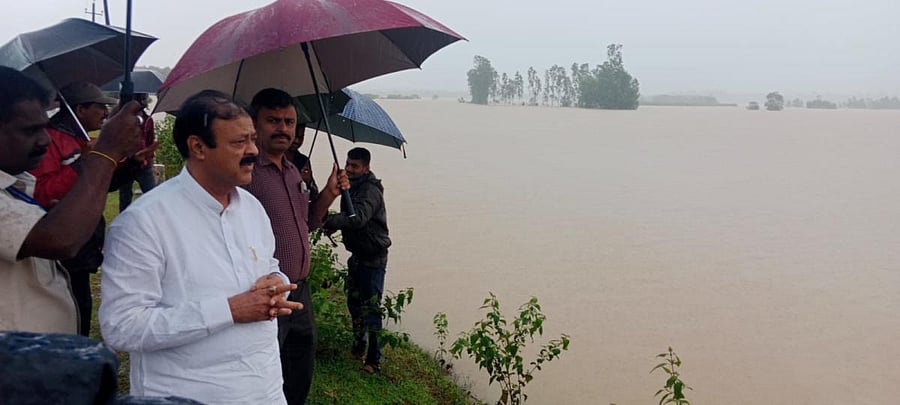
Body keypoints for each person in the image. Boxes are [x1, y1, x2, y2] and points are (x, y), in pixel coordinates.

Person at [99, 90, 302, 404]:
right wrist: (230, 310)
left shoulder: (251, 208)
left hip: (266, 388)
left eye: (252, 139)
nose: (253, 151)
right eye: (238, 143)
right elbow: (122, 326)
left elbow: (269, 266)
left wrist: (276, 285)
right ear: (198, 147)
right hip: (187, 394)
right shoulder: (144, 222)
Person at [0, 66, 142, 333]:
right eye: (29, 131)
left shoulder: (15, 184)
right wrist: (105, 152)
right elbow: (59, 239)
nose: (44, 140)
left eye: (43, 127)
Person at [243, 88, 348, 404]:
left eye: (289, 122)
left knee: (300, 363)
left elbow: (309, 223)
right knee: (264, 369)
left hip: (300, 289)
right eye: (273, 120)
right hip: (265, 293)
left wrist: (329, 193)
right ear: (254, 125)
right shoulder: (244, 173)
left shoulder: (293, 172)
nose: (283, 129)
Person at [323, 147, 391, 373]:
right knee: (354, 304)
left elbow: (358, 218)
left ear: (366, 167)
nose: (349, 169)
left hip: (374, 258)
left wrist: (332, 221)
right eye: (348, 164)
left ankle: (373, 360)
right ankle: (358, 345)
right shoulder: (350, 187)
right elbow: (350, 218)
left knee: (372, 309)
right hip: (357, 256)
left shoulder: (371, 191)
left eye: (355, 166)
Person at [117, 92, 158, 212]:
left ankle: (154, 218)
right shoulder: (121, 120)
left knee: (151, 194)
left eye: (146, 98)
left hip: (144, 164)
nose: (145, 101)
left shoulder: (148, 120)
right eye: (143, 98)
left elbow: (150, 141)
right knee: (125, 196)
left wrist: (150, 159)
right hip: (126, 162)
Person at [285, 123, 318, 202]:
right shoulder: (275, 157)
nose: (297, 141)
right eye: (294, 136)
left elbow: (312, 196)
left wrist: (308, 182)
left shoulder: (303, 160)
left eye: (301, 137)